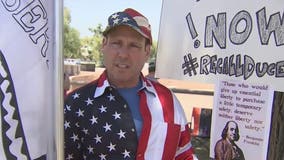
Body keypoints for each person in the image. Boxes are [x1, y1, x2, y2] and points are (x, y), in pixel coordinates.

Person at [64, 8, 194, 160]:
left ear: (147, 51)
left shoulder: (168, 102)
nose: (123, 54)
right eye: (116, 43)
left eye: (134, 45)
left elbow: (184, 155)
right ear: (104, 45)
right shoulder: (75, 103)